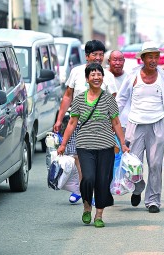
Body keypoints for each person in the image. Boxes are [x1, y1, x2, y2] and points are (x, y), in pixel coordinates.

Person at [57, 63, 129, 228]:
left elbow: (116, 122)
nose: (96, 78)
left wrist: (123, 144)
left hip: (106, 146)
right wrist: (63, 144)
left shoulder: (109, 99)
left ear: (103, 78)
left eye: (99, 75)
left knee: (103, 181)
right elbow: (72, 123)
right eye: (93, 75)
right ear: (87, 78)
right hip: (85, 145)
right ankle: (87, 206)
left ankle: (99, 214)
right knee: (88, 178)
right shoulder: (79, 99)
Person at [116, 41, 164, 213]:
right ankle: (138, 188)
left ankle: (153, 200)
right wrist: (113, 121)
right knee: (133, 164)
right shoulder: (133, 76)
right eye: (150, 57)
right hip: (135, 125)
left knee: (154, 164)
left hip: (158, 124)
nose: (153, 60)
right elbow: (121, 100)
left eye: (156, 56)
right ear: (143, 58)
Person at [53, 40, 117, 204]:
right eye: (94, 54)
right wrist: (60, 119)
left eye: (101, 55)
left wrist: (112, 125)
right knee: (78, 158)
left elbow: (113, 101)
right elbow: (68, 96)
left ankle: (95, 193)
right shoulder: (76, 72)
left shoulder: (107, 76)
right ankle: (84, 190)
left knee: (98, 161)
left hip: (101, 125)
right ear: (87, 56)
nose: (98, 57)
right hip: (78, 123)